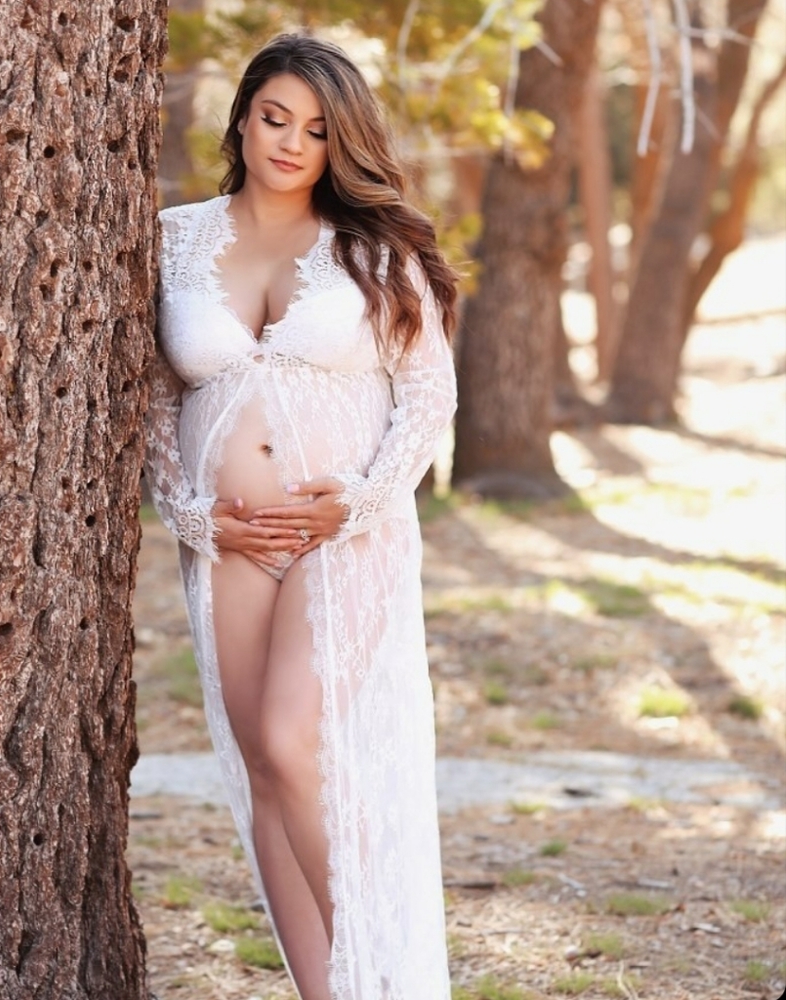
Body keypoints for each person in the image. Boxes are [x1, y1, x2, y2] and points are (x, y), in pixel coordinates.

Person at [143, 32, 458, 1000]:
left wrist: (362, 499)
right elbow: (153, 400)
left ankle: (384, 974)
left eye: (317, 130)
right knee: (265, 772)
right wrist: (193, 515)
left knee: (291, 741)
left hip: (342, 531)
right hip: (230, 537)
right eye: (275, 117)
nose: (290, 142)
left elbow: (428, 395)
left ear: (339, 144)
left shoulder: (372, 247)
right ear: (240, 116)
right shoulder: (173, 237)